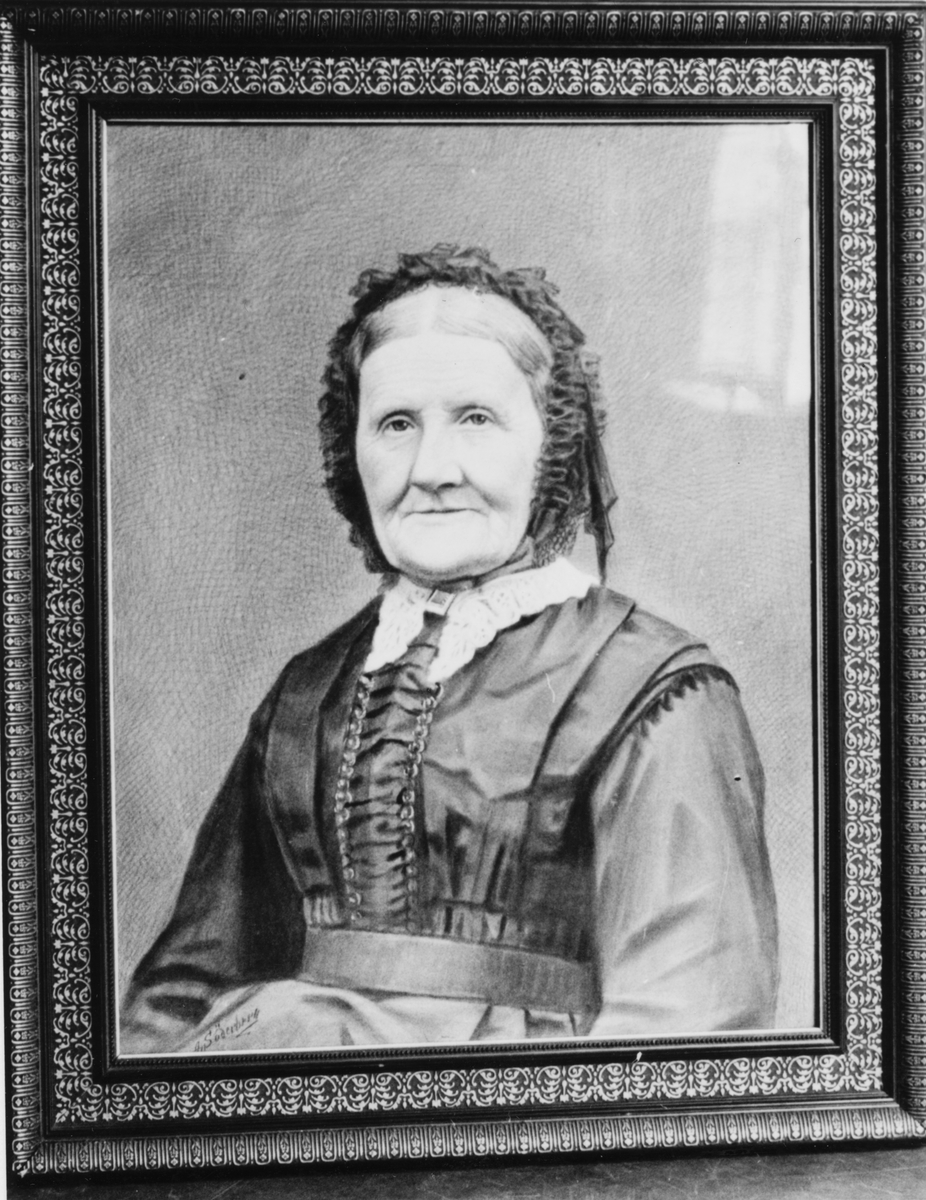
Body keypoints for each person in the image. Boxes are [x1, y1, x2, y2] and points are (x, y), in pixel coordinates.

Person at [120, 245, 779, 1055]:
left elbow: (690, 1026)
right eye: (396, 424)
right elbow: (177, 995)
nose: (432, 469)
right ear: (352, 450)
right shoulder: (307, 692)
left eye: (476, 419)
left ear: (551, 446)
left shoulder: (654, 689)